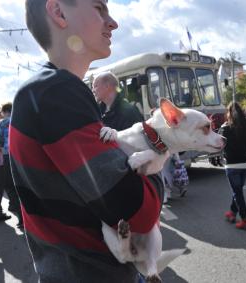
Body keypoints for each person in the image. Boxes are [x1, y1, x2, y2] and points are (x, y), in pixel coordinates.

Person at [11, 1, 163, 282]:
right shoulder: (57, 92)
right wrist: (158, 159)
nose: (113, 22)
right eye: (99, 7)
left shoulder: (43, 90)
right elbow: (138, 211)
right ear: (58, 12)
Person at [219, 102, 246, 230]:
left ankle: (245, 219)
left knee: (237, 192)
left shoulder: (226, 128)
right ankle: (232, 213)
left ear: (229, 113)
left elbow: (220, 145)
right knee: (238, 191)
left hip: (232, 164)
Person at [0, 102, 23, 229]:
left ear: (5, 111)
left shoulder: (3, 123)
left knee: (11, 187)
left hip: (8, 157)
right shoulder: (21, 119)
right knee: (24, 186)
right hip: (22, 155)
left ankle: (21, 219)